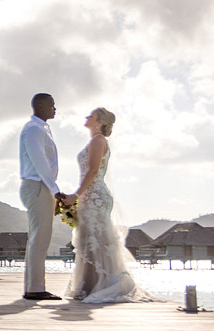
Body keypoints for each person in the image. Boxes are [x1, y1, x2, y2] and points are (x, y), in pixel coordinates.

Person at [60, 108, 157, 303]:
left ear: (98, 122)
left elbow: (94, 170)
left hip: (94, 196)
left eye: (91, 116)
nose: (86, 117)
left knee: (94, 241)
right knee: (92, 240)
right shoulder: (96, 141)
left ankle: (96, 286)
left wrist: (75, 195)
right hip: (91, 195)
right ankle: (89, 286)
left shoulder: (98, 140)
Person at [19, 93, 65, 301]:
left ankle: (34, 286)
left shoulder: (41, 128)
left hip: (41, 186)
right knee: (40, 238)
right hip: (37, 185)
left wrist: (52, 192)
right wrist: (55, 190)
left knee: (39, 238)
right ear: (40, 105)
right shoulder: (33, 129)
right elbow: (39, 162)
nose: (55, 108)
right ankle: (35, 288)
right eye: (51, 105)